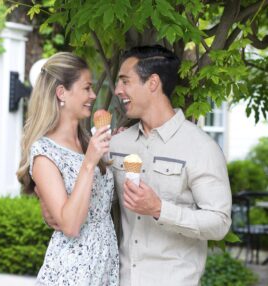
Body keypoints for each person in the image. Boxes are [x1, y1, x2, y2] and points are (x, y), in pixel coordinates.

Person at [39, 45, 232, 286]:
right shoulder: (116, 145)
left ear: (152, 83)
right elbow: (92, 202)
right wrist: (52, 207)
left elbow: (219, 223)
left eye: (125, 81)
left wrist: (160, 208)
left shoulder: (201, 148)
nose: (117, 90)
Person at [16, 52, 119, 285]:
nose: (93, 95)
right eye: (86, 88)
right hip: (73, 270)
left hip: (104, 262)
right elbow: (70, 226)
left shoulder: (86, 141)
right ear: (62, 93)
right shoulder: (44, 153)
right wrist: (90, 163)